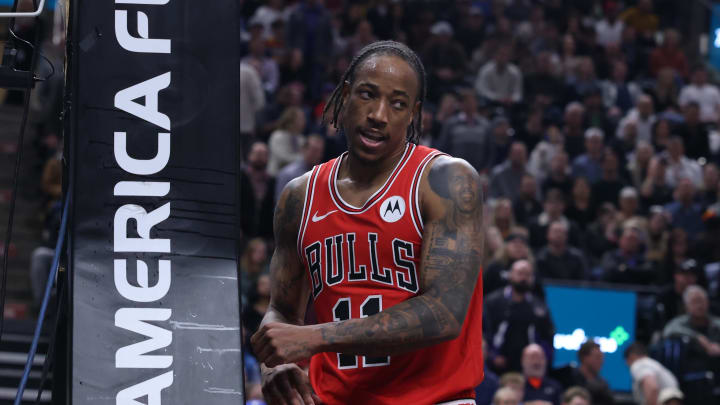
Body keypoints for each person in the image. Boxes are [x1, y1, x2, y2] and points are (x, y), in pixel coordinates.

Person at [250, 41, 485, 405]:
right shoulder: (299, 196)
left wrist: (315, 338)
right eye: (367, 94)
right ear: (345, 96)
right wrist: (273, 365)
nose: (379, 114)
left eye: (398, 103)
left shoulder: (445, 180)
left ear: (413, 114)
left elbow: (444, 312)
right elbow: (282, 312)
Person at [485, 260, 554, 374]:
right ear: (510, 275)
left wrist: (541, 359)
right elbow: (484, 332)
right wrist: (493, 356)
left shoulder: (539, 306)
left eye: (528, 274)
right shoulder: (493, 302)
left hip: (526, 368)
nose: (524, 278)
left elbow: (547, 337)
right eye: (520, 273)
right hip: (495, 366)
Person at [663, 285, 720, 357]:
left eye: (701, 301)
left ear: (708, 303)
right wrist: (696, 337)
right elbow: (668, 331)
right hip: (688, 363)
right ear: (686, 306)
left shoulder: (717, 323)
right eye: (694, 302)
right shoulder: (679, 322)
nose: (699, 305)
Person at [274, 134, 325, 202]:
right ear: (304, 150)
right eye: (314, 151)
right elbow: (280, 204)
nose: (318, 155)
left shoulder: (322, 175)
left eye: (320, 151)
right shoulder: (287, 174)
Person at [569, 341, 615, 405]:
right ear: (584, 358)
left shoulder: (603, 385)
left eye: (602, 358)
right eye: (597, 357)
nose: (601, 361)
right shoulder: (569, 380)